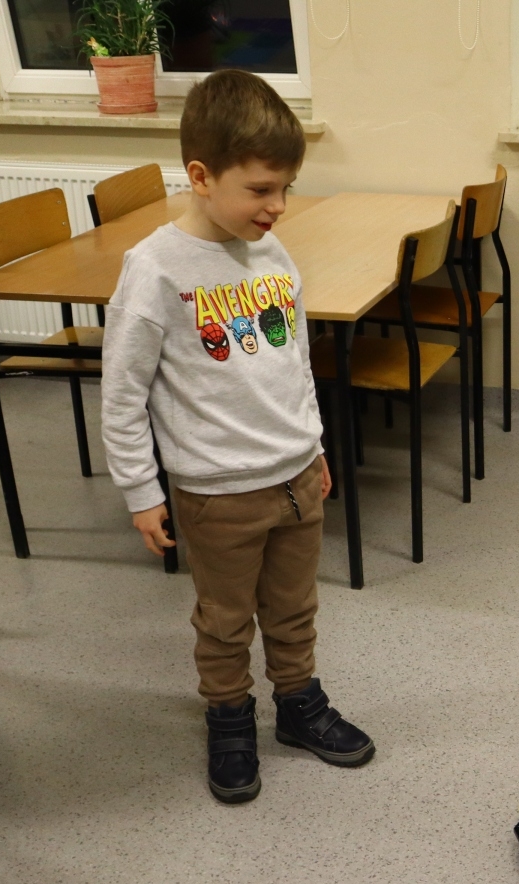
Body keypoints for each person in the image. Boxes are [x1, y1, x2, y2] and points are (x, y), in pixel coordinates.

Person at [100, 70, 374, 804]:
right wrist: (140, 491)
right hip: (217, 492)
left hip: (295, 477)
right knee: (225, 622)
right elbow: (122, 394)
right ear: (201, 176)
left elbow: (294, 363)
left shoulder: (272, 254)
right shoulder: (155, 269)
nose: (276, 206)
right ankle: (228, 718)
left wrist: (314, 445)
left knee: (294, 606)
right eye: (260, 189)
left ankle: (299, 704)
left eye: (284, 188)